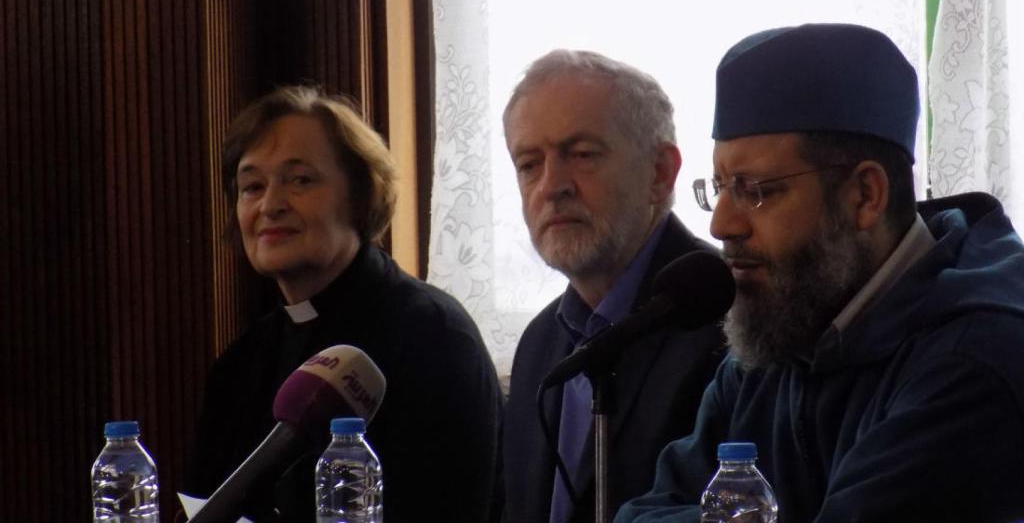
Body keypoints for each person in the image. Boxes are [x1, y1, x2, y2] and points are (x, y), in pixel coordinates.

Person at [615, 23, 1024, 523]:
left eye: (756, 189)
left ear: (865, 196)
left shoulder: (975, 358)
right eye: (720, 186)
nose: (722, 223)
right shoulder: (780, 327)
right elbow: (644, 512)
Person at [184, 86, 503, 522]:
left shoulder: (433, 336)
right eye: (251, 186)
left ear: (361, 196)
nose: (270, 205)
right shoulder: (240, 366)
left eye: (301, 180)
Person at [502, 50, 726, 523]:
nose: (551, 186)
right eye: (528, 164)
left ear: (660, 173)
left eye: (582, 155)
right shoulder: (540, 343)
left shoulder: (729, 318)